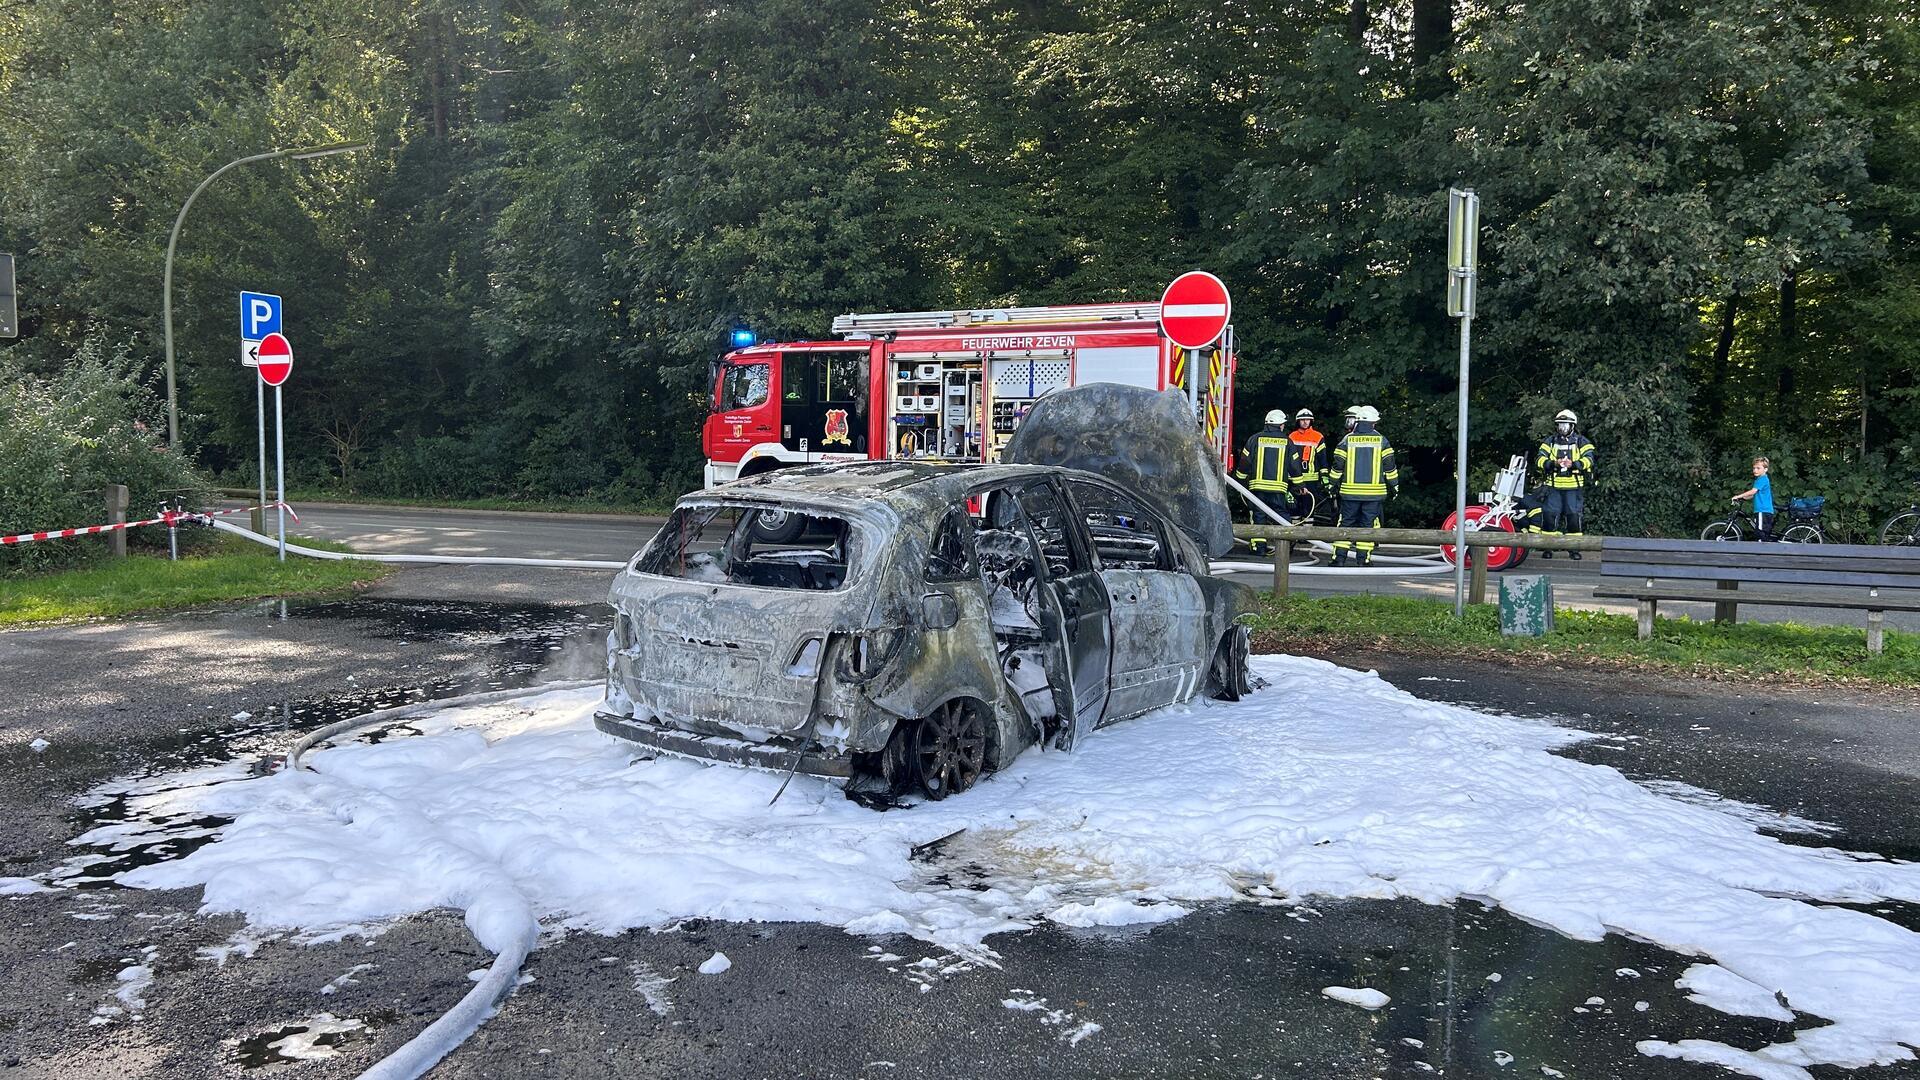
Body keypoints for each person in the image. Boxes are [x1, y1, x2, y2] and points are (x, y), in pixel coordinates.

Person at [1329, 404, 1399, 566]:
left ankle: (1338, 559)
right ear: (1373, 423)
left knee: (1345, 524)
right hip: (1373, 494)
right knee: (1367, 526)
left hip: (1350, 493)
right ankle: (1363, 560)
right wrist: (1395, 485)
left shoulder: (1347, 440)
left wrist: (1331, 485)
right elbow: (1390, 467)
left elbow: (1337, 466)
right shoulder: (1382, 440)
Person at [1533, 409, 1596, 560]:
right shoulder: (1550, 441)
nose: (1562, 428)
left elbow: (1590, 460)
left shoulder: (1582, 442)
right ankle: (1548, 548)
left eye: (1565, 425)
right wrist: (1553, 463)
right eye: (1560, 425)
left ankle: (1574, 549)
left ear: (1572, 426)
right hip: (1553, 487)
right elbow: (1539, 460)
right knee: (1549, 517)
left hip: (1573, 488)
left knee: (1574, 518)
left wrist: (1574, 464)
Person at [1235, 409, 1293, 554]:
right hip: (1278, 489)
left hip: (1257, 488)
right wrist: (1300, 485)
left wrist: (1239, 481)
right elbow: (1294, 465)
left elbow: (1245, 461)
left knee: (1258, 515)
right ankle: (1287, 545)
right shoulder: (1287, 441)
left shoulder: (1254, 439)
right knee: (1281, 516)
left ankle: (1258, 548)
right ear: (1280, 424)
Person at [1285, 408, 1328, 521]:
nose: (1305, 422)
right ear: (1298, 421)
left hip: (1311, 480)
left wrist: (1324, 477)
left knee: (1308, 509)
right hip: (1293, 479)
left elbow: (1322, 459)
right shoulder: (1291, 436)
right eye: (1302, 420)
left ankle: (1307, 537)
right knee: (1293, 507)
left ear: (1311, 421)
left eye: (1307, 420)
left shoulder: (1318, 437)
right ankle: (1294, 535)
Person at [1732, 456, 1775, 541]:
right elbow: (1753, 495)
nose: (1755, 470)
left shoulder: (1762, 479)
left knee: (1760, 533)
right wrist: (1743, 498)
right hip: (1761, 510)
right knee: (1761, 531)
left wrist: (1738, 496)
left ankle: (1763, 550)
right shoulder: (1759, 480)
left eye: (1758, 468)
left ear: (1765, 469)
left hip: (1763, 510)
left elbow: (1753, 491)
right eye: (1754, 468)